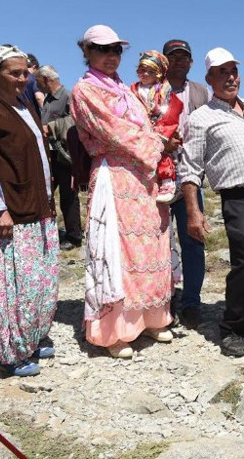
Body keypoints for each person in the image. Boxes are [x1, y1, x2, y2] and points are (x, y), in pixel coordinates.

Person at [71, 25, 175, 359]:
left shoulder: (126, 90)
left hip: (142, 175)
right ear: (87, 52)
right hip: (114, 173)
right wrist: (157, 145)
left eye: (116, 50)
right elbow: (112, 130)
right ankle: (114, 332)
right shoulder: (85, 90)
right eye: (102, 50)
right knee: (118, 249)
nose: (111, 56)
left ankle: (150, 318)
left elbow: (143, 124)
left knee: (150, 246)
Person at [179, 47, 244, 358]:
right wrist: (193, 212)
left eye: (233, 71)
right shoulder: (201, 118)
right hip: (239, 199)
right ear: (209, 78)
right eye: (222, 72)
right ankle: (233, 327)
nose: (230, 77)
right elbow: (190, 167)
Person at [0, 44, 60, 377]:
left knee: (39, 282)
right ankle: (8, 354)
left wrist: (49, 201)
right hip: (8, 213)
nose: (23, 78)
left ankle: (31, 338)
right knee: (10, 287)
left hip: (38, 207)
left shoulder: (24, 105)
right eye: (15, 73)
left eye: (26, 72)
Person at [162, 39, 210, 329]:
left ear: (190, 62)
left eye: (184, 57)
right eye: (174, 57)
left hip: (191, 176)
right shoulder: (151, 88)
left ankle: (191, 300)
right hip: (158, 178)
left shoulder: (200, 93)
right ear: (165, 61)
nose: (179, 61)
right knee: (157, 242)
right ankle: (161, 298)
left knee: (193, 239)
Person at [35, 65, 83, 251]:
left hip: (66, 156)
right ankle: (45, 231)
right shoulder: (47, 100)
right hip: (50, 155)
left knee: (68, 196)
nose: (37, 86)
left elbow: (76, 121)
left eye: (38, 82)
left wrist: (51, 127)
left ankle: (74, 236)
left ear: (46, 79)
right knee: (44, 193)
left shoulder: (68, 96)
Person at [130, 50, 181, 204]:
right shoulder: (131, 90)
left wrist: (162, 131)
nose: (145, 74)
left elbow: (172, 111)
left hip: (158, 128)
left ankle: (167, 182)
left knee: (162, 154)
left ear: (158, 73)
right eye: (142, 70)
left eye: (150, 71)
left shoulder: (164, 92)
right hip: (137, 131)